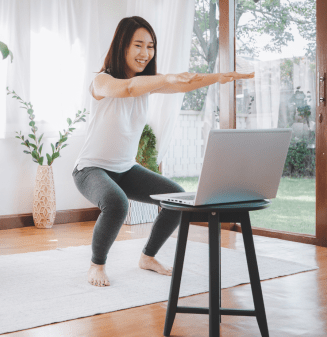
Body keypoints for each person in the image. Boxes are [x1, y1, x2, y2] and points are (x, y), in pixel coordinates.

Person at [73, 16, 254, 287]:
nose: (145, 53)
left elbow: (185, 84)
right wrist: (165, 77)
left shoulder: (147, 84)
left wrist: (220, 77)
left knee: (177, 200)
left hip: (125, 168)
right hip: (90, 169)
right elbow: (129, 88)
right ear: (122, 46)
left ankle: (148, 256)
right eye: (138, 45)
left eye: (150, 46)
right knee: (117, 203)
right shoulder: (102, 81)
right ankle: (97, 264)